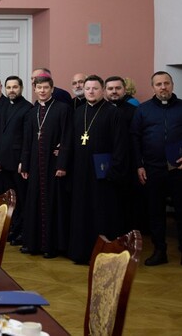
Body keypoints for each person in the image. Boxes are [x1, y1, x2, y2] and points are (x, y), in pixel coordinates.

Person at [131, 71, 182, 271]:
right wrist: (139, 164)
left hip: (180, 170)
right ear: (153, 87)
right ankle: (159, 251)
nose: (163, 87)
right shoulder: (143, 110)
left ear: (172, 85)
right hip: (152, 169)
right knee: (155, 212)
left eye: (166, 83)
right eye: (158, 84)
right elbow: (135, 138)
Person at [67, 75, 127, 264]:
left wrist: (114, 171)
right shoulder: (78, 112)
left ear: (102, 90)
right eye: (87, 89)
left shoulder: (113, 113)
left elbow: (120, 145)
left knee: (101, 212)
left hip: (103, 174)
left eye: (95, 88)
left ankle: (103, 253)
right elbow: (71, 142)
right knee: (81, 212)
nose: (91, 92)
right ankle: (81, 253)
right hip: (80, 173)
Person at [20, 75, 72, 258]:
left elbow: (67, 137)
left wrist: (62, 164)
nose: (42, 91)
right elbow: (26, 141)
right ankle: (33, 244)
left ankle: (52, 246)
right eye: (39, 88)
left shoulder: (63, 109)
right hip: (35, 165)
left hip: (53, 166)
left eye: (45, 88)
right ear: (34, 89)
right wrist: (25, 165)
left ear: (52, 89)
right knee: (34, 203)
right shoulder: (31, 112)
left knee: (52, 204)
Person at [0, 76, 33, 245]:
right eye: (9, 87)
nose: (11, 90)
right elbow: (2, 135)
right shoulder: (5, 107)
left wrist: (23, 162)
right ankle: (14, 228)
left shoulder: (27, 108)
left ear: (21, 88)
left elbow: (27, 138)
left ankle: (23, 232)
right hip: (5, 161)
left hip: (18, 163)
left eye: (15, 87)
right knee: (11, 199)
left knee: (21, 199)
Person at [105, 76, 142, 232]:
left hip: (128, 165)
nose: (114, 91)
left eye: (117, 88)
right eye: (110, 88)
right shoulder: (101, 110)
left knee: (127, 204)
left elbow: (137, 138)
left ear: (124, 90)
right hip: (105, 164)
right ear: (105, 91)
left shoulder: (134, 111)